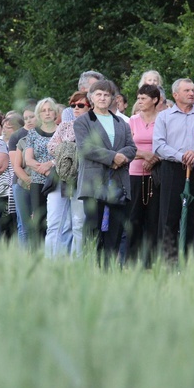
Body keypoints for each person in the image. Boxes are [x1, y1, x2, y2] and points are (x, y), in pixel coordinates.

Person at [74, 80, 137, 267]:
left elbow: (132, 148)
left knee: (116, 230)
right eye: (99, 94)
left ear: (112, 98)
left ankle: (108, 269)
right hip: (93, 182)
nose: (103, 98)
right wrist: (113, 157)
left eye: (106, 95)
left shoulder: (121, 123)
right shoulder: (83, 121)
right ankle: (89, 268)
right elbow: (85, 147)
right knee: (93, 227)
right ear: (91, 97)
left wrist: (121, 157)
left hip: (118, 181)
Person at [153, 78, 194, 265]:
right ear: (175, 95)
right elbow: (158, 145)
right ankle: (168, 263)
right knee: (169, 215)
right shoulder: (164, 116)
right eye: (187, 90)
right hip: (172, 168)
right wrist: (181, 156)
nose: (191, 93)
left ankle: (190, 261)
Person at [46, 91, 90, 256]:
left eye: (80, 105)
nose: (76, 108)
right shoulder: (65, 125)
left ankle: (75, 262)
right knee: (55, 222)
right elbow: (51, 147)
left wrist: (65, 147)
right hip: (62, 177)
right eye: (73, 105)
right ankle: (51, 260)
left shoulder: (93, 125)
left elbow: (87, 149)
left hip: (82, 177)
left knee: (78, 223)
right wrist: (68, 148)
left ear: (90, 106)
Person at [126, 84, 162, 266]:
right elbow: (127, 146)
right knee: (134, 216)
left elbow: (167, 142)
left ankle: (151, 260)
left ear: (155, 100)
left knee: (153, 216)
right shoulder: (132, 120)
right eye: (138, 98)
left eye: (143, 98)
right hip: (135, 173)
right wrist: (144, 155)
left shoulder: (163, 119)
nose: (139, 102)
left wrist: (154, 159)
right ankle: (132, 258)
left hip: (156, 173)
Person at [25, 98, 59, 247]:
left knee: (55, 219)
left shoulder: (62, 131)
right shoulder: (32, 134)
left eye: (50, 109)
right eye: (43, 110)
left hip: (58, 180)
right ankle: (38, 252)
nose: (47, 113)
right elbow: (28, 160)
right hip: (38, 181)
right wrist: (45, 171)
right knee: (39, 219)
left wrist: (51, 168)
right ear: (38, 114)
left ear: (55, 112)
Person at [9, 104, 37, 247]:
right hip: (21, 182)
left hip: (42, 183)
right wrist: (29, 181)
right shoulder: (17, 136)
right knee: (24, 224)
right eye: (25, 118)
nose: (28, 120)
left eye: (31, 117)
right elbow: (16, 165)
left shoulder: (47, 133)